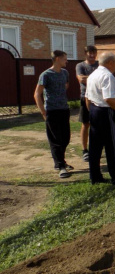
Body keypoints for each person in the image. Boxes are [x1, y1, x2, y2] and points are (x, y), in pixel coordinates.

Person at [85, 52, 115, 185]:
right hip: (106, 112)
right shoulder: (107, 76)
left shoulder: (93, 75)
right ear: (110, 62)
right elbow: (109, 98)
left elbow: (87, 97)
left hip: (94, 110)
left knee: (95, 146)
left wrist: (93, 112)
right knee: (114, 146)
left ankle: (95, 176)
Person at [34, 50, 73, 178]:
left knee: (65, 137)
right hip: (51, 110)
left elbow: (65, 86)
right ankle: (61, 166)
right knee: (55, 139)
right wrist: (43, 111)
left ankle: (59, 161)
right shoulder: (46, 74)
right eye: (64, 59)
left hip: (64, 109)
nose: (66, 61)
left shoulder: (65, 73)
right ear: (57, 59)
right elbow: (37, 94)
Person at [76, 45, 99, 162]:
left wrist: (89, 78)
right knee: (86, 124)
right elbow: (81, 79)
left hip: (99, 98)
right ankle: (85, 150)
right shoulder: (80, 65)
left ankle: (96, 148)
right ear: (85, 53)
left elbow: (106, 77)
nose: (92, 55)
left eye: (94, 52)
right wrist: (97, 77)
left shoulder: (100, 64)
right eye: (90, 53)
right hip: (85, 97)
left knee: (98, 124)